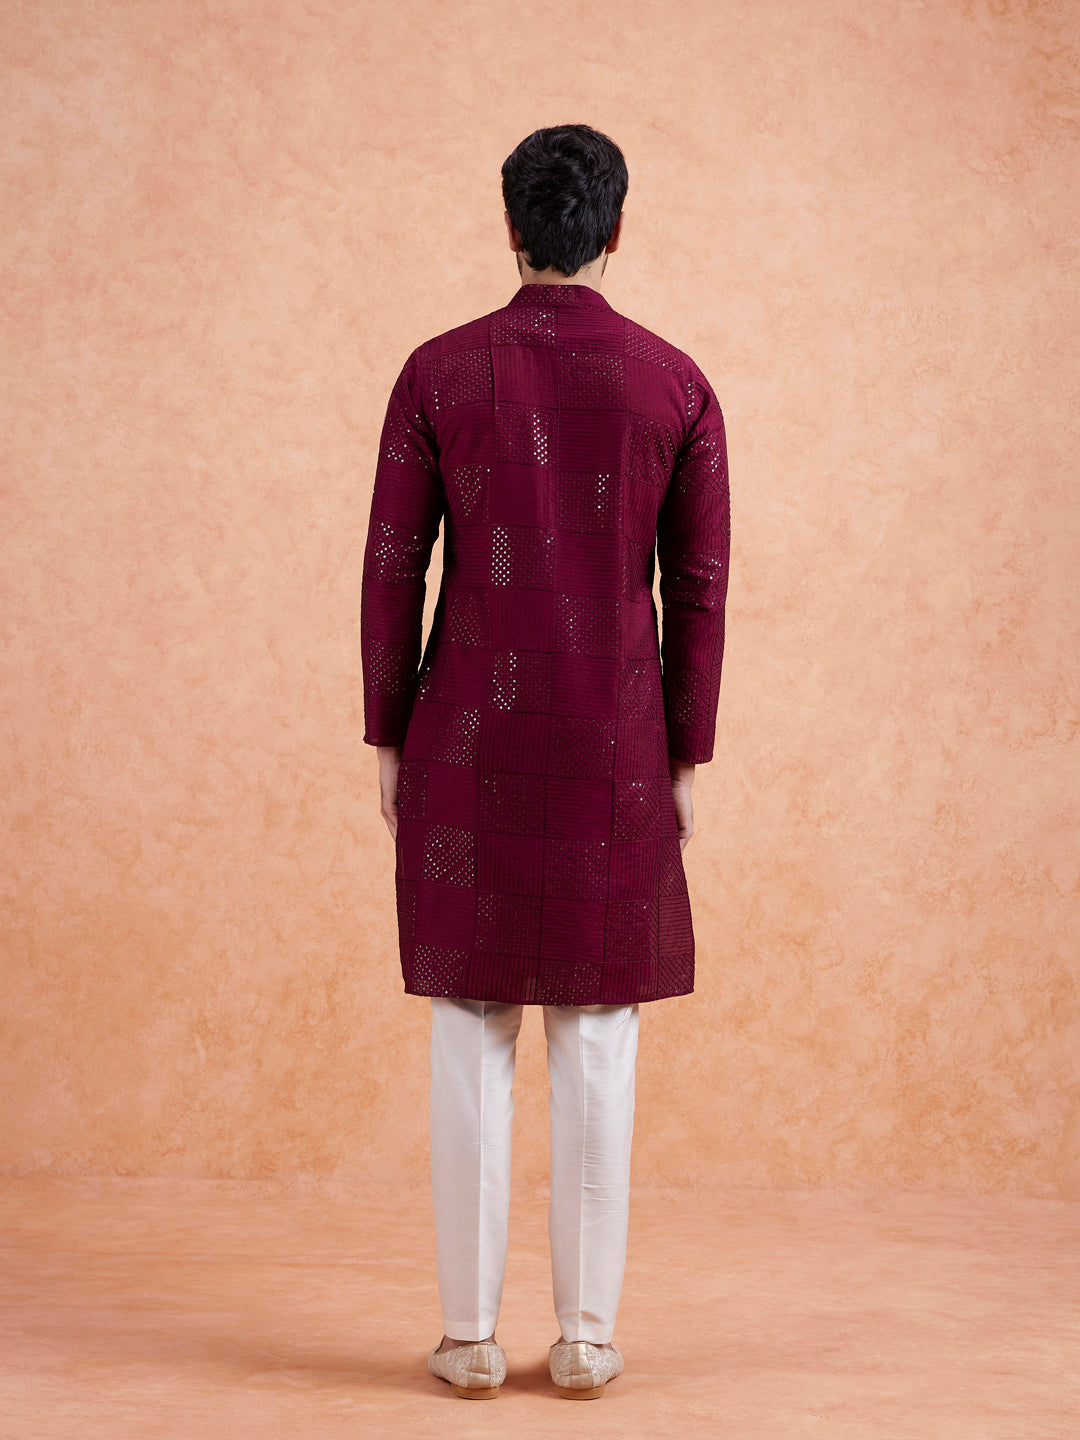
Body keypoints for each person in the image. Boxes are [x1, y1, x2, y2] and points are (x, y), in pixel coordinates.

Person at [360, 123, 730, 1400]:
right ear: (615, 230)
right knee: (598, 1033)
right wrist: (687, 755)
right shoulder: (675, 384)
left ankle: (468, 1336)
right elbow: (699, 587)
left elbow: (393, 568)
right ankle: (585, 1336)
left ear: (512, 225)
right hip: (616, 742)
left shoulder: (437, 373)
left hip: (466, 734)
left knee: (470, 1029)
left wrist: (388, 732)